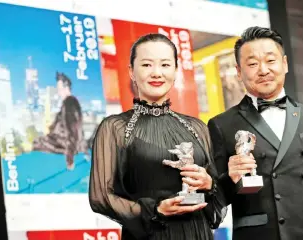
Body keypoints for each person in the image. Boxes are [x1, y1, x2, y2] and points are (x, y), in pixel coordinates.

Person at [89, 33, 226, 240]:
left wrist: (209, 184)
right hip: (150, 235)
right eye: (146, 65)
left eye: (165, 65)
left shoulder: (197, 127)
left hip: (198, 233)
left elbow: (217, 195)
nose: (156, 73)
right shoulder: (115, 127)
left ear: (175, 70)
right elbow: (100, 197)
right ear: (131, 72)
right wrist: (156, 210)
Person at [208, 26, 303, 240]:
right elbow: (214, 204)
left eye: (270, 60)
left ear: (284, 64)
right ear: (239, 72)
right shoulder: (221, 125)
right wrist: (230, 179)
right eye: (252, 64)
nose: (263, 70)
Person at [33, 72, 88, 170]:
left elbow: (73, 130)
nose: (58, 92)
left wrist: (70, 158)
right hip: (68, 144)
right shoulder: (72, 102)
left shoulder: (69, 103)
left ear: (66, 87)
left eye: (59, 88)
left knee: (37, 143)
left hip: (65, 145)